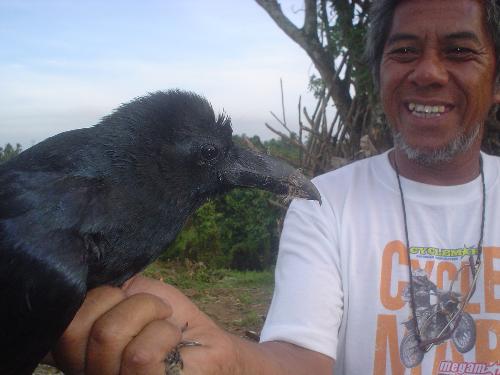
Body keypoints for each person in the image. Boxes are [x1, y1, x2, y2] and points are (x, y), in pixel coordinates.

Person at [46, 0, 500, 373]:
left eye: (460, 52)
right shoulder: (327, 205)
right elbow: (301, 361)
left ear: (496, 80)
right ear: (379, 73)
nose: (429, 73)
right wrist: (228, 362)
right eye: (403, 51)